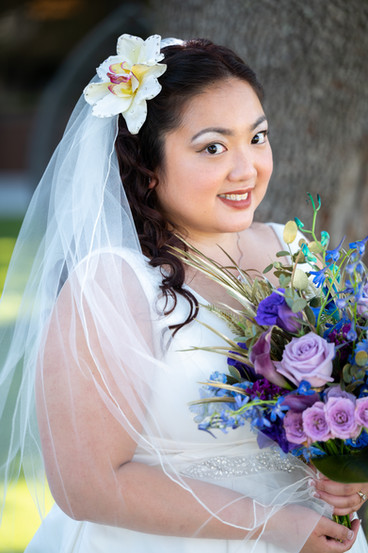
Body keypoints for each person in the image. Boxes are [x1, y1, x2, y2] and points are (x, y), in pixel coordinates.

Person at [0, 33, 367, 553]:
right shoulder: (112, 284)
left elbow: (333, 403)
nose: (247, 169)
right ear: (148, 169)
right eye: (213, 147)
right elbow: (85, 486)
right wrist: (268, 524)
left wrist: (346, 465)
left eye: (257, 138)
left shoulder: (296, 252)